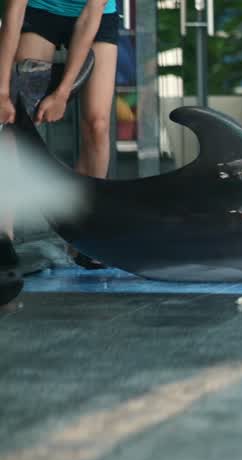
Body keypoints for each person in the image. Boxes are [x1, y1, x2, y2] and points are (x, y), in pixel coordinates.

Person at [1, 0, 118, 274]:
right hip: (43, 9)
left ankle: (84, 235)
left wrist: (62, 94)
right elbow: (13, 14)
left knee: (98, 124)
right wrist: (2, 92)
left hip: (96, 17)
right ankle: (3, 235)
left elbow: (90, 17)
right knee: (15, 120)